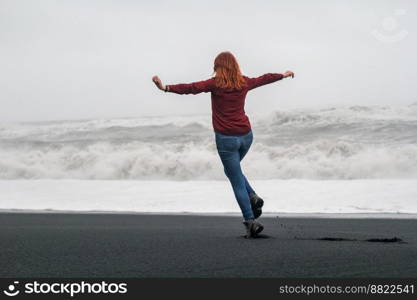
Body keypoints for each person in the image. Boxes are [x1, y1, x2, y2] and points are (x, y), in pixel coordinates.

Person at [152, 51, 294, 238]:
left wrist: (165, 88)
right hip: (246, 136)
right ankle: (252, 196)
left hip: (226, 139)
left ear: (218, 67)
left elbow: (191, 87)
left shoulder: (215, 85)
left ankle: (251, 221)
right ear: (235, 66)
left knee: (234, 178)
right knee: (233, 171)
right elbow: (263, 79)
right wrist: (282, 75)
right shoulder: (244, 82)